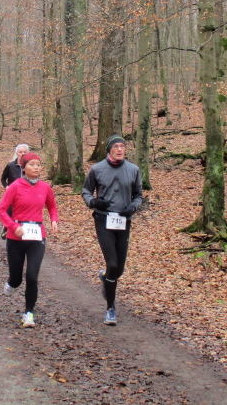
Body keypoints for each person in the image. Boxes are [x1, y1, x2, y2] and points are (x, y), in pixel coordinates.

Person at [81, 135, 143, 326]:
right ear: (109, 149)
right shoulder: (97, 169)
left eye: (122, 146)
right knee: (112, 263)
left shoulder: (133, 170)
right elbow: (85, 191)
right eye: (116, 146)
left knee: (118, 270)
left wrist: (132, 208)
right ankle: (110, 308)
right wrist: (94, 202)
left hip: (124, 221)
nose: (120, 149)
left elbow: (138, 195)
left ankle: (105, 277)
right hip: (103, 220)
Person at [0, 152, 58, 328]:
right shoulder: (15, 186)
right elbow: (1, 210)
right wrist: (13, 226)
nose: (36, 167)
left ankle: (29, 313)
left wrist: (54, 220)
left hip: (37, 236)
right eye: (32, 164)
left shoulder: (45, 187)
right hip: (16, 236)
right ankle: (12, 283)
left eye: (38, 164)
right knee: (17, 278)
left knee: (32, 275)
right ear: (23, 168)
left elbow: (52, 206)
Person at [0, 144, 30, 239]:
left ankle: (23, 231)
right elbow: (3, 179)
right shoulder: (10, 166)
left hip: (26, 194)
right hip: (12, 194)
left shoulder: (30, 166)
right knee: (10, 213)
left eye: (25, 152)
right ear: (17, 153)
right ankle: (6, 228)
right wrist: (6, 186)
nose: (22, 154)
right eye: (20, 152)